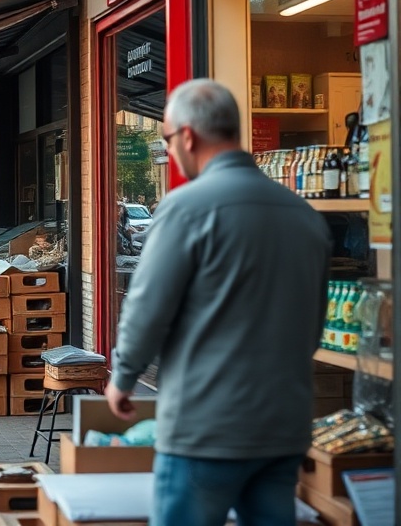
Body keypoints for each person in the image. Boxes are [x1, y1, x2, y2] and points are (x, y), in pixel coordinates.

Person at [104, 79, 331, 526]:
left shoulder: (186, 208)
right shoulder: (303, 215)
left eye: (167, 140)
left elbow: (148, 306)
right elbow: (313, 324)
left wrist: (124, 375)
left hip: (204, 427)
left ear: (187, 136)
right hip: (283, 426)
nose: (170, 151)